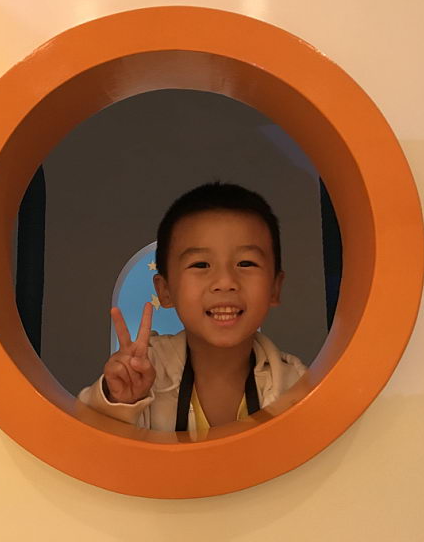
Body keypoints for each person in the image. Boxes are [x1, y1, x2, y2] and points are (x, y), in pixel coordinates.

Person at [78, 182, 306, 434]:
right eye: (200, 265)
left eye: (246, 263)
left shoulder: (295, 385)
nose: (225, 282)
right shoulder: (144, 370)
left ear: (275, 287)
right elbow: (85, 442)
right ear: (165, 290)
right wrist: (120, 402)